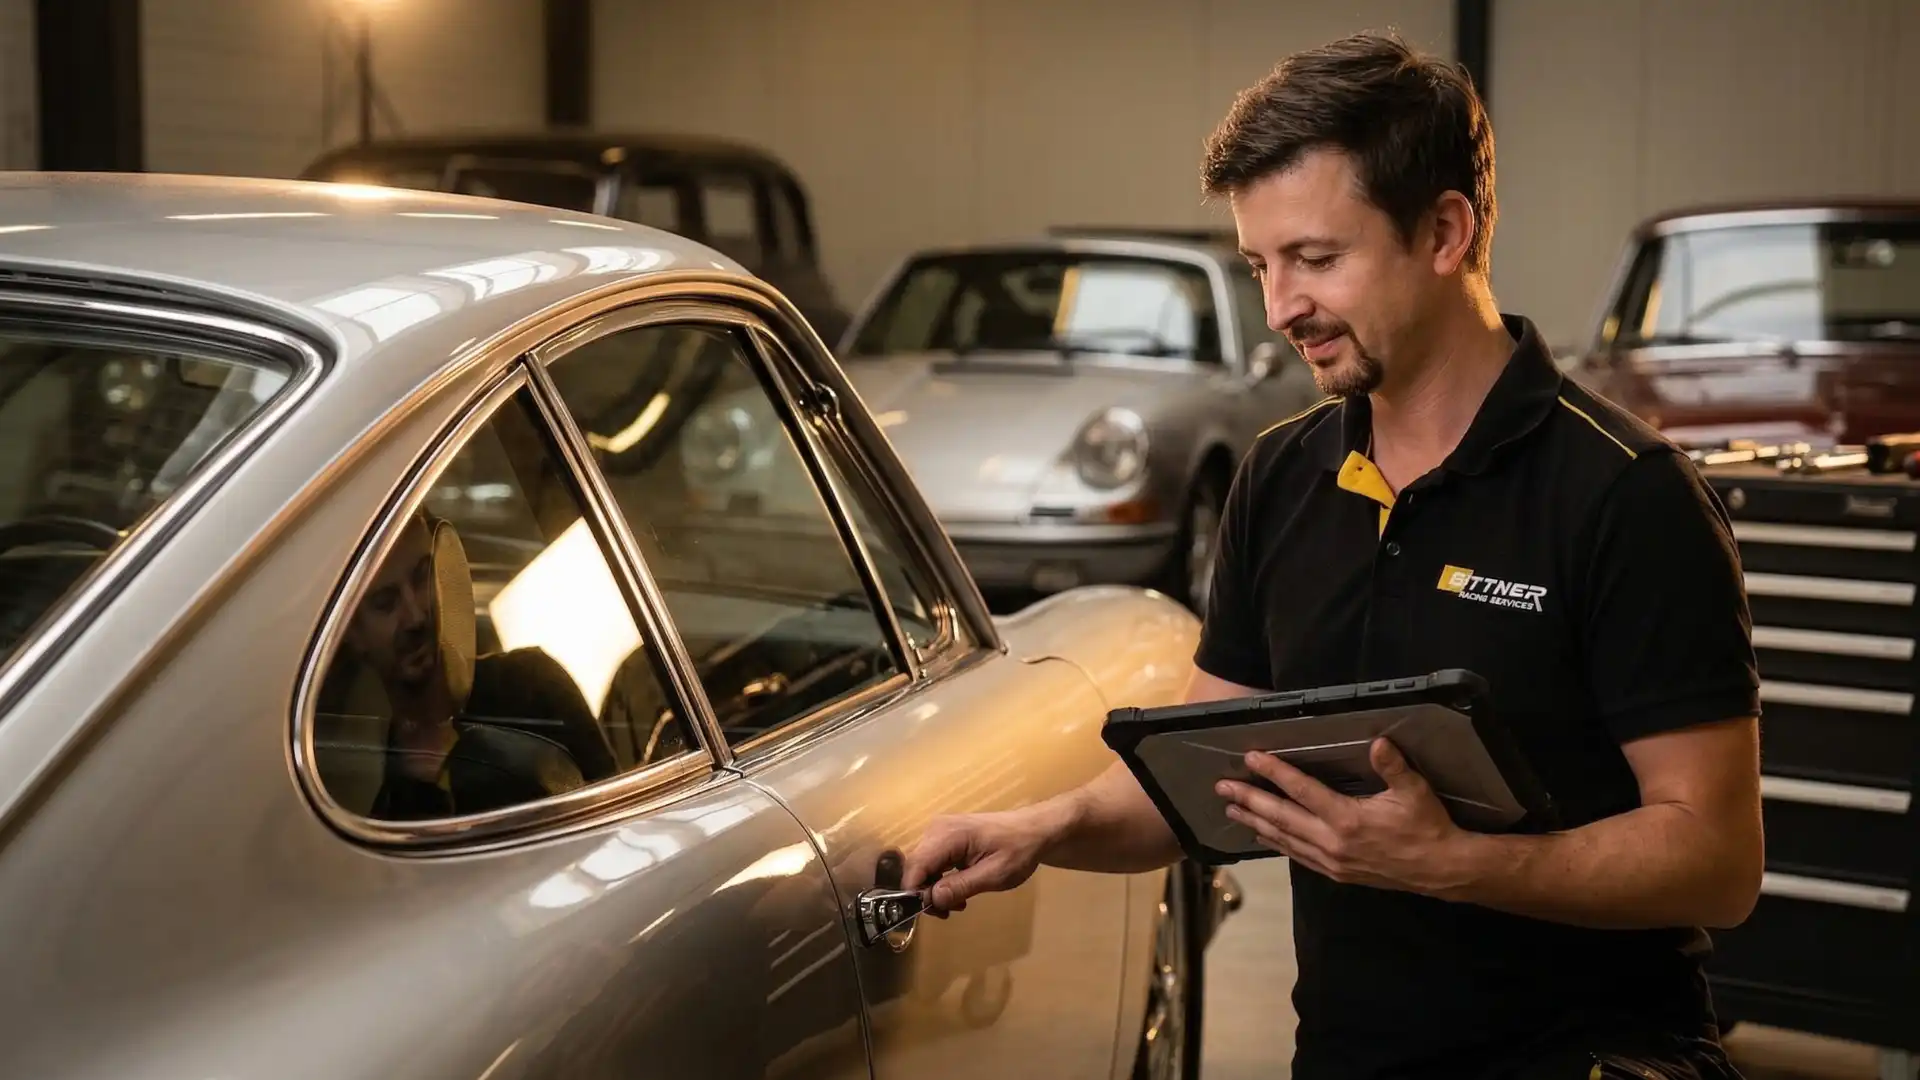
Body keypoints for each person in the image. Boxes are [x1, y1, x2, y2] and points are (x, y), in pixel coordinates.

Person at [902, 30, 1763, 1080]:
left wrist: (1455, 867)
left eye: (1316, 259)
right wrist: (1041, 827)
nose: (1280, 310)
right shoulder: (1284, 477)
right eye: (1261, 265)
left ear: (1446, 231)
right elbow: (1197, 776)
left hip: (1589, 1060)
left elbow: (1717, 862)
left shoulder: (1626, 494)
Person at [328, 510, 618, 817]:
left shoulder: (533, 685)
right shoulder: (382, 817)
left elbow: (620, 820)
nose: (415, 616)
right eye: (386, 603)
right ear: (353, 633)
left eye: (423, 577)